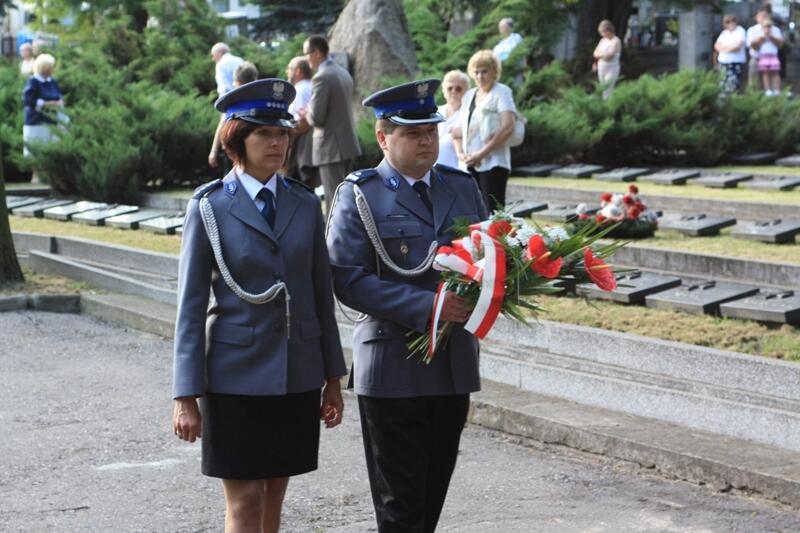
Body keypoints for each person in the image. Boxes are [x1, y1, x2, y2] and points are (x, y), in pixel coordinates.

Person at [172, 78, 347, 533]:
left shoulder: (304, 204)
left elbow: (319, 296)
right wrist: (185, 394)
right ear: (237, 140)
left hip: (295, 372)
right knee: (245, 500)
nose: (277, 143)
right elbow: (190, 307)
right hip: (234, 376)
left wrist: (333, 377)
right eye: (264, 134)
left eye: (282, 133)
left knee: (273, 496)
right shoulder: (209, 207)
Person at [326, 78, 487, 533]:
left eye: (431, 131)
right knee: (400, 508)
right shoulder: (361, 193)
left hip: (452, 364)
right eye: (413, 133)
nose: (426, 141)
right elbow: (346, 277)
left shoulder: (461, 186)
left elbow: (487, 257)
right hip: (393, 365)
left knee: (431, 499)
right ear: (383, 137)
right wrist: (429, 306)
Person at [302, 34, 361, 213]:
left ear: (317, 53)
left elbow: (317, 118)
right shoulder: (342, 72)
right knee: (346, 199)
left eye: (306, 53)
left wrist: (307, 112)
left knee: (334, 202)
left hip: (330, 147)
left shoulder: (322, 77)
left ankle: (335, 233)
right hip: (347, 144)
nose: (306, 58)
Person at [452, 50, 517, 213]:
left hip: (493, 163)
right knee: (471, 212)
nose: (480, 76)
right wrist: (460, 154)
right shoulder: (468, 96)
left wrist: (481, 154)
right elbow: (457, 131)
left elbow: (508, 126)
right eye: (476, 72)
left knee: (493, 212)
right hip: (468, 164)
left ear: (494, 71)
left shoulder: (502, 92)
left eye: (484, 71)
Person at [208, 61, 259, 173]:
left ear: (238, 82)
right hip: (257, 153)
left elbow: (222, 125)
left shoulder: (232, 102)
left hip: (233, 153)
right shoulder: (262, 101)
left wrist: (213, 151)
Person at [22, 53, 65, 183]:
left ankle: (50, 175)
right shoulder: (33, 82)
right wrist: (47, 104)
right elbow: (29, 100)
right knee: (37, 148)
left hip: (51, 120)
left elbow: (59, 96)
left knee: (50, 148)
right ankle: (36, 176)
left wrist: (59, 103)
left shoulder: (52, 81)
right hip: (36, 121)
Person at [286, 56, 319, 188]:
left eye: (289, 68)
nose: (287, 72)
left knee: (298, 185)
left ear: (298, 71)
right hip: (310, 145)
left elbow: (302, 123)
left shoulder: (300, 90)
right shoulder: (311, 86)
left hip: (302, 145)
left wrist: (288, 140)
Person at [435, 70, 470, 169]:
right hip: (432, 168)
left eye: (458, 89)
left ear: (467, 91)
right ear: (443, 90)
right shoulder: (436, 112)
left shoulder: (469, 114)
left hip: (457, 168)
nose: (453, 91)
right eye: (449, 88)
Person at [752, 15, 784, 95]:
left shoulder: (776, 31)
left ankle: (777, 90)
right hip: (763, 56)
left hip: (773, 55)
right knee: (765, 73)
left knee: (775, 72)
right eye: (766, 26)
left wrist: (771, 37)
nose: (767, 28)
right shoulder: (759, 33)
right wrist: (762, 38)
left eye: (769, 26)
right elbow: (753, 45)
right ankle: (768, 91)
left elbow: (780, 44)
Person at [715, 15, 747, 94]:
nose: (730, 24)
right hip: (723, 62)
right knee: (723, 82)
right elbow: (717, 45)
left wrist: (724, 49)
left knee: (734, 84)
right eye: (727, 22)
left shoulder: (740, 31)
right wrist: (728, 47)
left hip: (735, 63)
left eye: (731, 21)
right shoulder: (724, 33)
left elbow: (737, 46)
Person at [593, 20, 622, 99]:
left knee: (608, 89)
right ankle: (604, 104)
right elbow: (595, 53)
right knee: (602, 89)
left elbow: (609, 56)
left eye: (602, 32)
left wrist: (600, 54)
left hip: (611, 68)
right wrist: (603, 54)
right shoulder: (603, 40)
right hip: (601, 67)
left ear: (608, 31)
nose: (601, 34)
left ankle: (608, 105)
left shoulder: (616, 41)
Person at [746, 7, 771, 90]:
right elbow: (751, 45)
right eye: (762, 16)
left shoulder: (774, 29)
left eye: (766, 16)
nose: (764, 18)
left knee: (768, 85)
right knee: (754, 82)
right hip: (756, 58)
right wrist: (762, 37)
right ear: (757, 17)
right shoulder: (752, 30)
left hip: (770, 59)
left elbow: (780, 44)